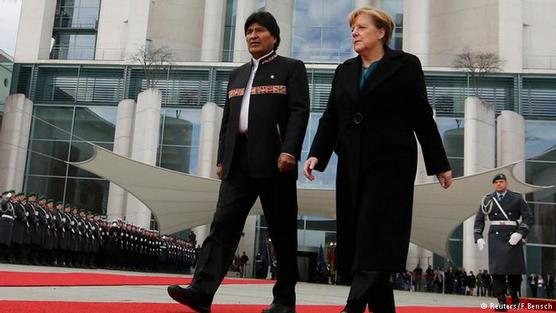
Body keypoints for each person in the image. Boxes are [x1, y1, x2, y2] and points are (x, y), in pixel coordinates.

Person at [303, 6, 452, 313]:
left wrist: (439, 163)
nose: (354, 33)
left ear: (381, 32)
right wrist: (317, 153)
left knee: (375, 231)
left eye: (361, 27)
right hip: (353, 165)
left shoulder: (406, 65)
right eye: (352, 29)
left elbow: (421, 116)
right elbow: (331, 117)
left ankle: (353, 305)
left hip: (391, 165)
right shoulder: (344, 70)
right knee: (363, 236)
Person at [167, 11, 309, 313]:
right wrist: (222, 158)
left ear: (274, 36)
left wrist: (291, 151)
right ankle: (201, 292)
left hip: (276, 162)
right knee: (222, 226)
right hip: (238, 162)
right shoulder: (238, 74)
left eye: (259, 30)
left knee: (282, 233)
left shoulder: (291, 69)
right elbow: (228, 120)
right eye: (248, 32)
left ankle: (284, 301)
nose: (253, 36)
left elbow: (300, 112)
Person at [474, 173, 534, 311]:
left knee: (514, 271)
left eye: (501, 181)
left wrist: (520, 233)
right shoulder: (487, 200)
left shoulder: (517, 198)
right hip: (495, 237)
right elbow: (479, 219)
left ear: (506, 183)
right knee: (497, 271)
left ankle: (514, 295)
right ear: (493, 185)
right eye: (496, 182)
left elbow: (528, 217)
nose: (499, 184)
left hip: (512, 236)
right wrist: (478, 236)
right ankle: (501, 301)